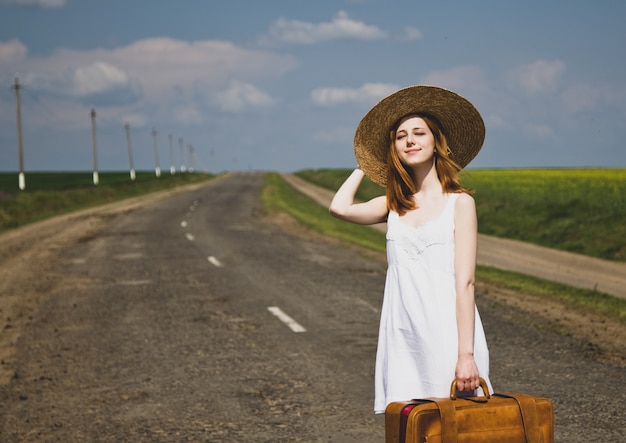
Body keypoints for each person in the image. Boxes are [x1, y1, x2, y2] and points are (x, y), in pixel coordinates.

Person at [329, 85, 493, 414]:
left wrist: (466, 355)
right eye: (400, 136)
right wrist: (364, 164)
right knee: (409, 429)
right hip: (403, 336)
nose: (410, 141)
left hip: (447, 336)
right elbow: (340, 207)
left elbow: (466, 283)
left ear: (436, 142)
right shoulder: (394, 204)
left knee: (455, 428)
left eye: (419, 133)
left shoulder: (460, 204)